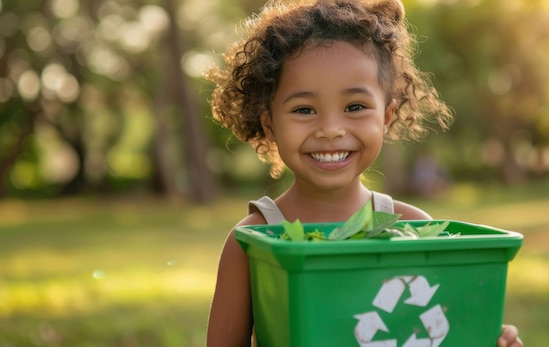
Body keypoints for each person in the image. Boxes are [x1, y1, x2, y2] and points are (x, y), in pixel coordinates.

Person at [204, 0, 523, 346]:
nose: (330, 129)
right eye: (304, 109)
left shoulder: (411, 228)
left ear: (386, 117)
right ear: (270, 125)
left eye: (354, 107)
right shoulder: (252, 242)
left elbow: (432, 330)